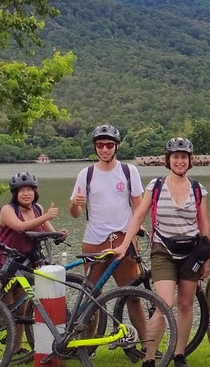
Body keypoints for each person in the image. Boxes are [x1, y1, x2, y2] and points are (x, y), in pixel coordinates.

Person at [115, 138, 210, 367]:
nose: (180, 161)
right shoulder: (156, 186)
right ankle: (150, 356)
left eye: (184, 157)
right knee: (164, 303)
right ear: (168, 160)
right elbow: (138, 216)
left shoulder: (199, 189)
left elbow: (204, 223)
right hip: (163, 250)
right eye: (175, 157)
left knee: (186, 303)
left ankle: (179, 354)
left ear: (190, 161)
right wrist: (124, 245)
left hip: (192, 252)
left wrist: (207, 258)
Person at [69, 124, 146, 332]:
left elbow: (138, 208)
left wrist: (137, 232)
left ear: (116, 147)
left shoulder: (129, 171)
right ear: (95, 147)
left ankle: (148, 344)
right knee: (91, 297)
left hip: (123, 240)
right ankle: (86, 345)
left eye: (109, 145)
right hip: (94, 241)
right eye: (100, 145)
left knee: (132, 296)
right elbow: (75, 213)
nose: (105, 149)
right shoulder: (86, 174)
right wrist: (75, 203)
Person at [0, 171, 66, 357]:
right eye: (21, 190)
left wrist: (59, 235)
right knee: (2, 308)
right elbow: (21, 227)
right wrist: (47, 216)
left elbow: (48, 231)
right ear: (15, 193)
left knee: (21, 309)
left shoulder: (37, 209)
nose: (26, 193)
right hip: (5, 262)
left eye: (29, 189)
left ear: (35, 192)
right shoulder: (8, 210)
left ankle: (17, 347)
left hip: (27, 263)